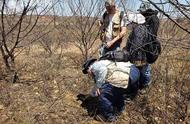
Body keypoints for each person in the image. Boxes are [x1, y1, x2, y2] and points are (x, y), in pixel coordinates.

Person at [100, 7, 160, 90]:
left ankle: (138, 90)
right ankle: (144, 88)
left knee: (138, 73)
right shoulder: (148, 27)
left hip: (139, 57)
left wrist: (127, 52)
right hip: (146, 55)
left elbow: (136, 46)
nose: (128, 26)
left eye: (129, 24)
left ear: (135, 22)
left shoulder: (139, 29)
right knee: (146, 71)